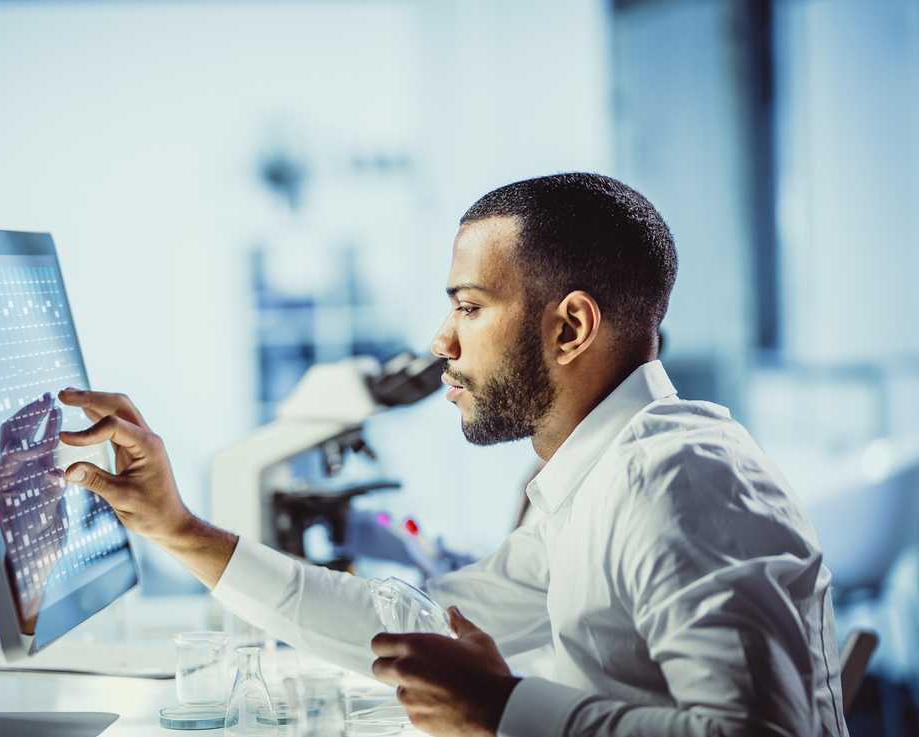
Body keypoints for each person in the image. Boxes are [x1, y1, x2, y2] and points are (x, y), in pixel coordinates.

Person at [56, 173, 846, 737]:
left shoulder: (672, 481)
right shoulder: (594, 478)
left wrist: (504, 711)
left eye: (469, 306)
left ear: (570, 327)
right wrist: (178, 528)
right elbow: (414, 624)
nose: (442, 342)